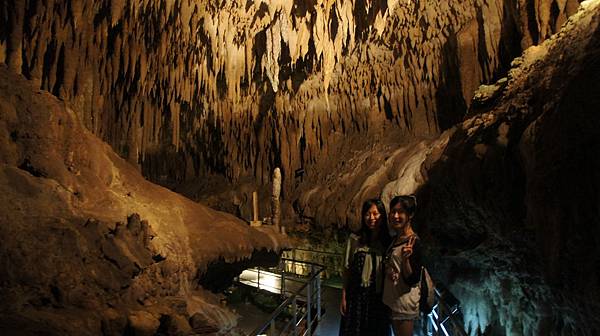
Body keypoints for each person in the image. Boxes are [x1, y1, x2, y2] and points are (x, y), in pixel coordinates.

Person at [339, 199, 392, 336]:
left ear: (382, 216)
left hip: (378, 301)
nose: (371, 218)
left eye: (376, 213)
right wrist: (344, 297)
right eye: (368, 214)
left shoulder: (388, 243)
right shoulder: (354, 240)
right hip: (355, 298)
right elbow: (347, 270)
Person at [383, 195, 423, 336]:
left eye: (401, 212)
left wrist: (406, 260)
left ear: (410, 215)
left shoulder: (413, 242)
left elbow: (413, 279)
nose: (395, 216)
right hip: (393, 301)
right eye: (393, 211)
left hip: (403, 305)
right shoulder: (396, 238)